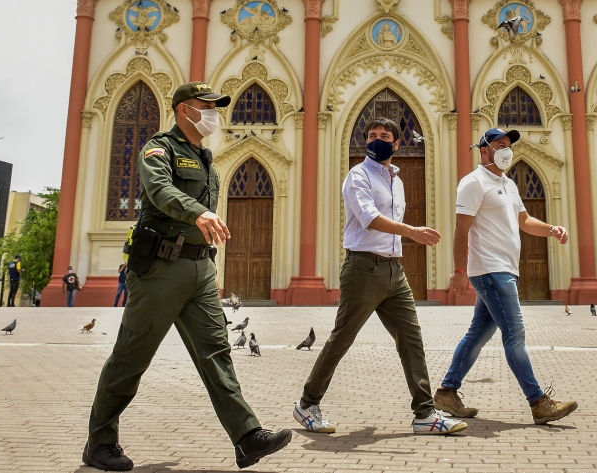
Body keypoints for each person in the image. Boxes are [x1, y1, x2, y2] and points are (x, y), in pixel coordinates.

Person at [84, 82, 291, 472]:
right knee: (132, 357)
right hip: (160, 269)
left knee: (217, 354)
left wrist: (208, 266)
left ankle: (247, 437)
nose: (214, 113)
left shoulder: (206, 157)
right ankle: (100, 442)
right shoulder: (159, 148)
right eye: (206, 106)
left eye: (216, 106)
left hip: (199, 270)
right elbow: (159, 190)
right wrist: (196, 211)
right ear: (183, 110)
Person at [293, 116, 467, 436]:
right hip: (363, 269)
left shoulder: (396, 181)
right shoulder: (357, 176)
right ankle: (307, 404)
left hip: (393, 271)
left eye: (384, 135)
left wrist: (404, 239)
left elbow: (387, 225)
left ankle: (425, 414)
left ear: (396, 143)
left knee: (411, 340)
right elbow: (370, 219)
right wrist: (412, 231)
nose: (376, 140)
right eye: (371, 135)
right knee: (342, 339)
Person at [436, 128, 578, 426]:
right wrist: (459, 272)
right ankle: (538, 402)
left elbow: (524, 221)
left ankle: (447, 392)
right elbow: (461, 230)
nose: (507, 151)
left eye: (509, 146)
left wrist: (551, 229)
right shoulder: (473, 183)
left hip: (506, 269)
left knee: (478, 334)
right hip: (490, 270)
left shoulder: (508, 185)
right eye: (500, 145)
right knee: (515, 336)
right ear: (484, 150)